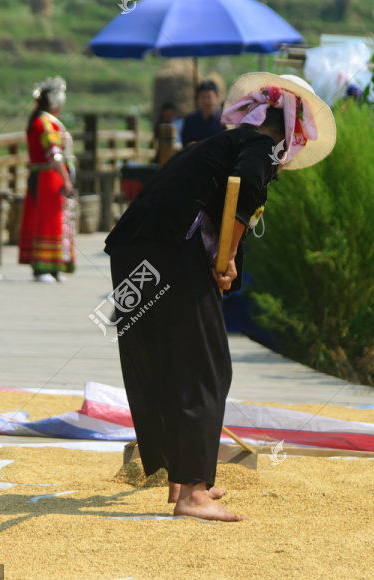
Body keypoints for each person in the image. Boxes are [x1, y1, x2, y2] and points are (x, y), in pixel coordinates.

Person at [104, 73, 336, 522]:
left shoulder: (213, 145)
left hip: (131, 248)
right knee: (205, 366)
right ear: (287, 133)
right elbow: (246, 186)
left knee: (164, 360)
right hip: (171, 250)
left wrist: (227, 258)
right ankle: (193, 492)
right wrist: (227, 256)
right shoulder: (260, 147)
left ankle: (180, 478)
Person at [18, 76, 77, 283]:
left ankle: (53, 266)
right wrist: (66, 179)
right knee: (47, 220)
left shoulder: (43, 120)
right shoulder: (45, 122)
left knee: (55, 221)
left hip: (49, 176)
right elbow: (54, 154)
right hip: (48, 177)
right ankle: (42, 268)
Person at [180, 80, 225, 148]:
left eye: (209, 97)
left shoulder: (222, 121)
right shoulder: (190, 119)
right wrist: (189, 145)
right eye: (203, 97)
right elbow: (185, 141)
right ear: (198, 97)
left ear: (216, 97)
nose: (206, 101)